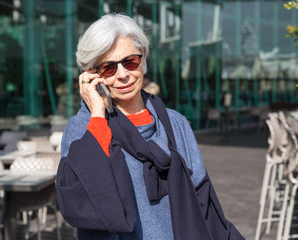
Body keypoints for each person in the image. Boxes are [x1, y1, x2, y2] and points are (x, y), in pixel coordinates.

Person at [56, 13, 245, 240]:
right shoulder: (83, 129)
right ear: (91, 75)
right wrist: (97, 115)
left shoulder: (175, 124)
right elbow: (83, 203)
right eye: (108, 68)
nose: (123, 75)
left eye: (130, 62)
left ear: (142, 58)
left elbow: (203, 201)